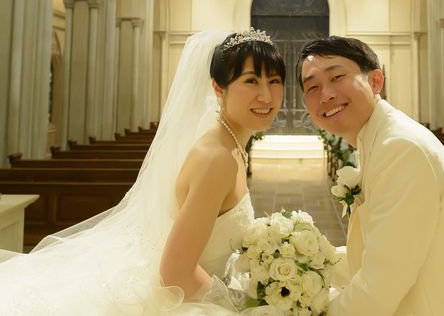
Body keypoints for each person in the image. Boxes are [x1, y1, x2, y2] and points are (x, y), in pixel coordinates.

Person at [0, 28, 285, 315]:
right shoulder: (217, 159)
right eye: (251, 80)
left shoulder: (230, 146)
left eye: (274, 81)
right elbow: (176, 273)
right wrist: (243, 304)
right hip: (182, 296)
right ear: (218, 88)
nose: (266, 95)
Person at [297, 35, 444, 316]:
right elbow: (382, 252)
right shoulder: (377, 139)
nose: (325, 95)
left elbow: (381, 283)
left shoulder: (401, 148)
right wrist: (304, 263)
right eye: (312, 87)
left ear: (375, 81)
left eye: (336, 77)